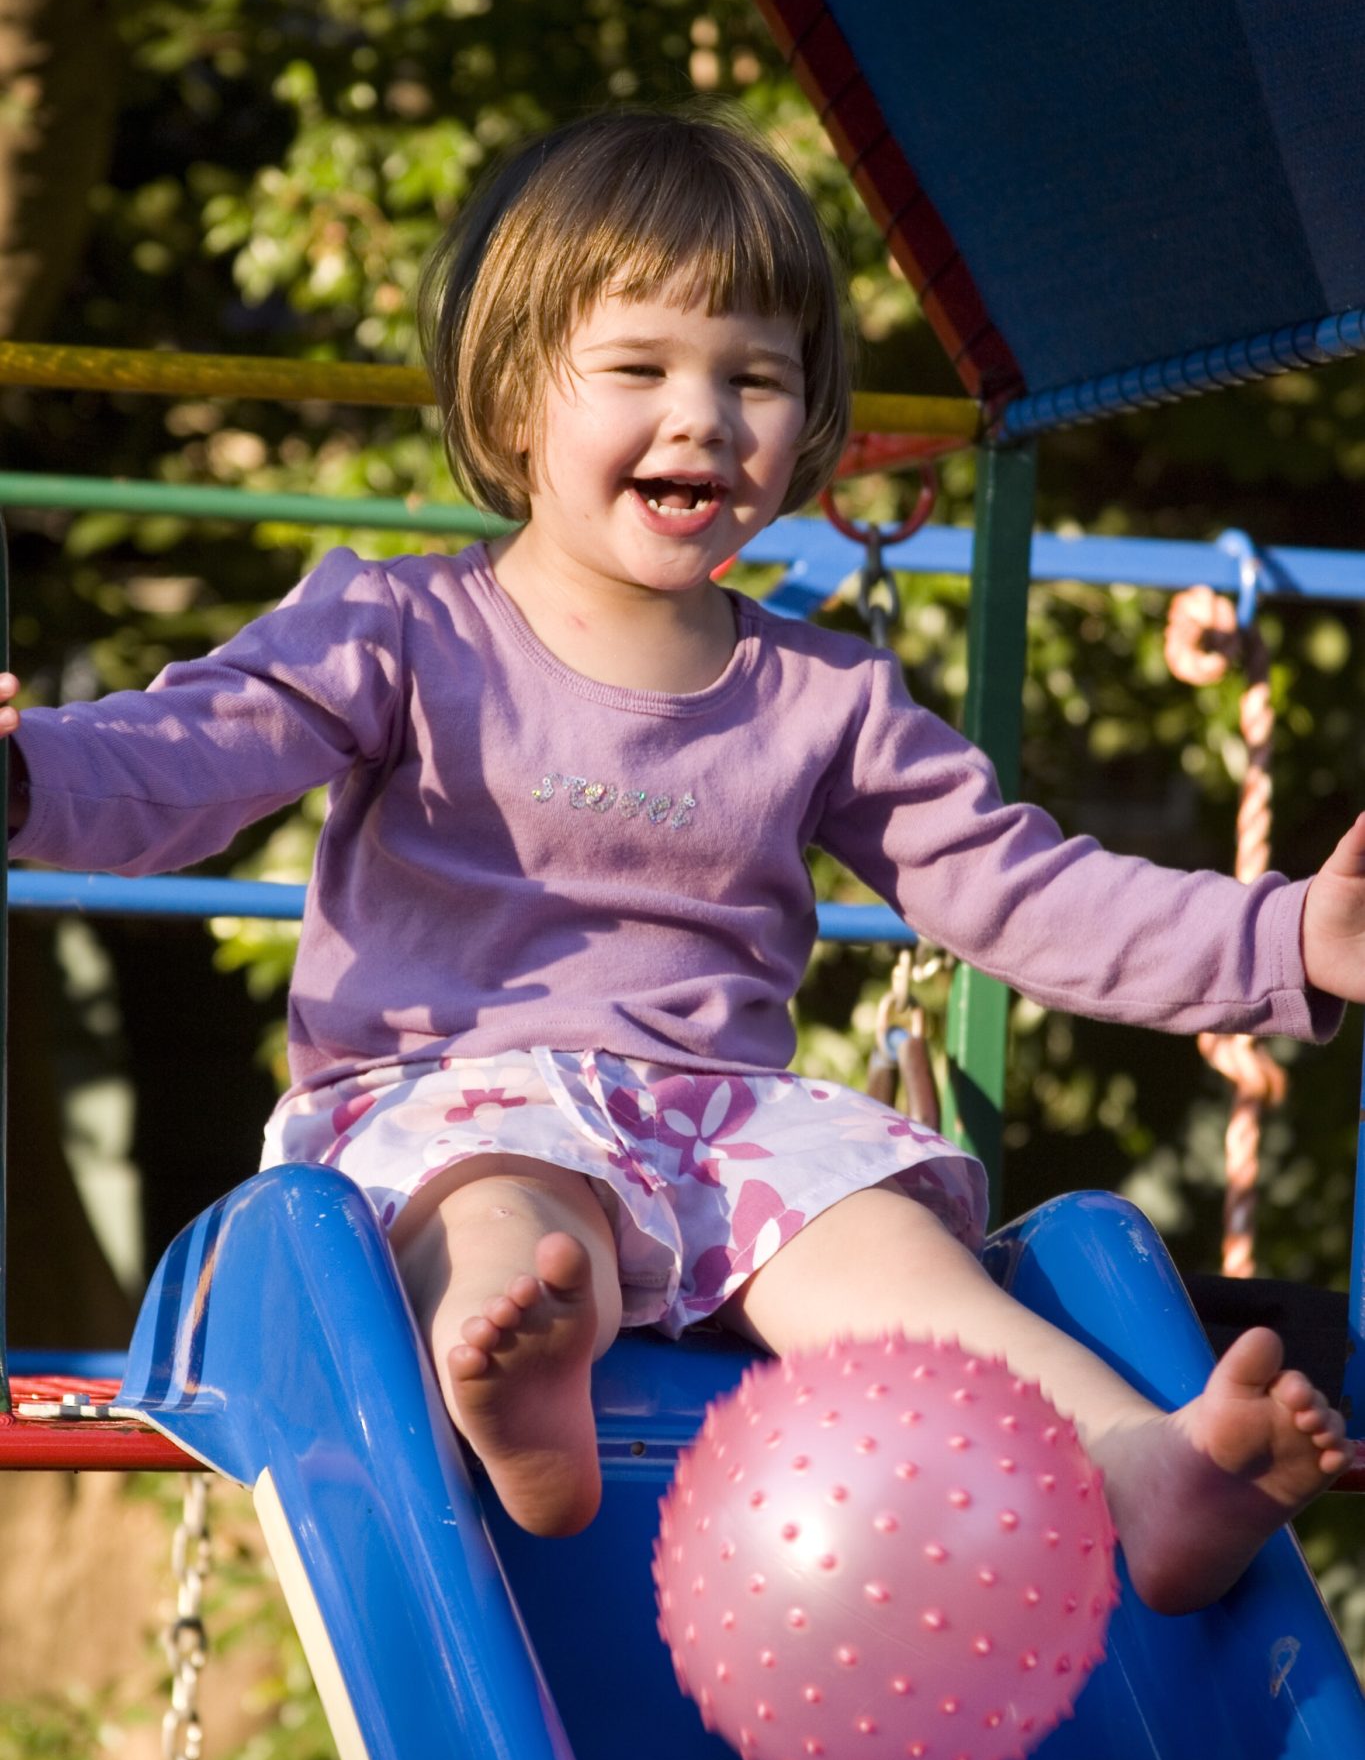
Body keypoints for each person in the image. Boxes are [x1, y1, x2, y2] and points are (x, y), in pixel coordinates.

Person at [7, 108, 1363, 1612]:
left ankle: (1141, 1470)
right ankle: (518, 1369)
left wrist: (1287, 939)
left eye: (754, 377)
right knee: (512, 1216)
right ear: (517, 397)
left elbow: (1019, 891)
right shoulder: (395, 630)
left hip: (721, 1129)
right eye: (640, 369)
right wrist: (23, 777)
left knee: (894, 1262)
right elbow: (182, 761)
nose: (702, 417)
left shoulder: (823, 697)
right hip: (452, 1092)